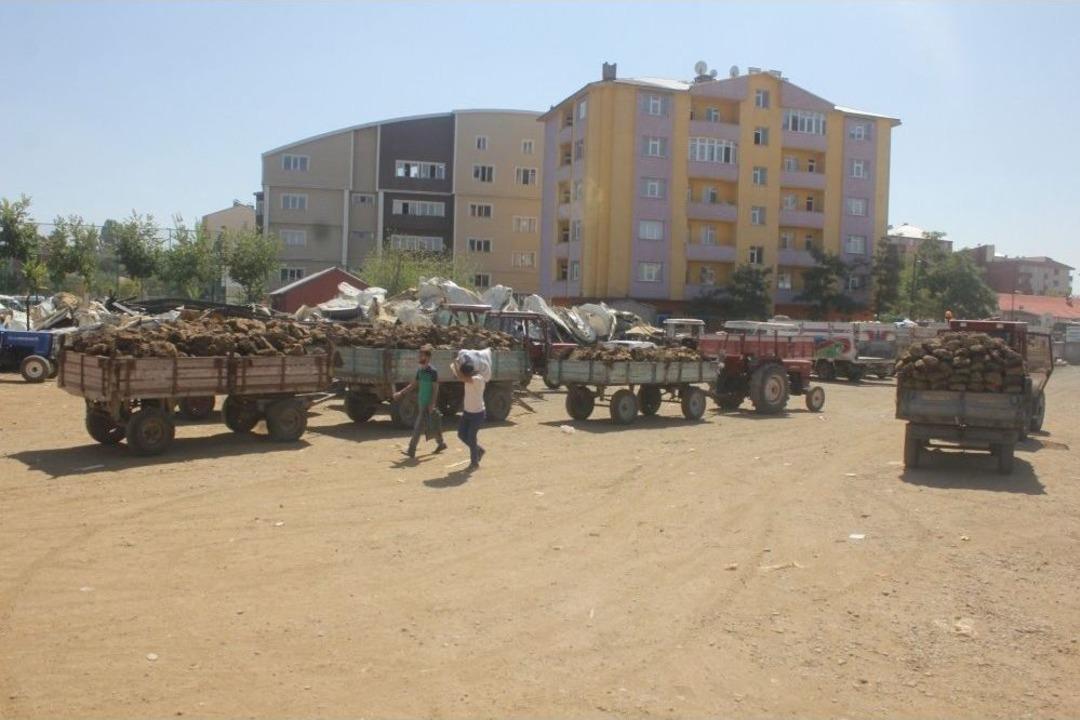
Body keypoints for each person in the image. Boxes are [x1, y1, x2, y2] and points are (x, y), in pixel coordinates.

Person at [393, 344, 446, 458]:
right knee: (431, 424)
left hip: (427, 403)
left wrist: (432, 403)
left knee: (418, 427)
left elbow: (435, 389)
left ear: (427, 357)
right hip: (421, 402)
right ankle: (441, 443)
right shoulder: (420, 370)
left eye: (421, 356)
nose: (419, 358)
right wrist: (401, 393)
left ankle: (411, 450)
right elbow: (413, 384)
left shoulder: (433, 371)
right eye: (419, 355)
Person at [452, 356, 487, 469]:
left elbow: (462, 377)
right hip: (468, 413)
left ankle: (474, 463)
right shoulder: (470, 377)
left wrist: (455, 365)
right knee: (461, 434)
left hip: (477, 414)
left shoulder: (478, 379)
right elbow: (462, 376)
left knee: (471, 437)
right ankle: (478, 450)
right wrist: (457, 363)